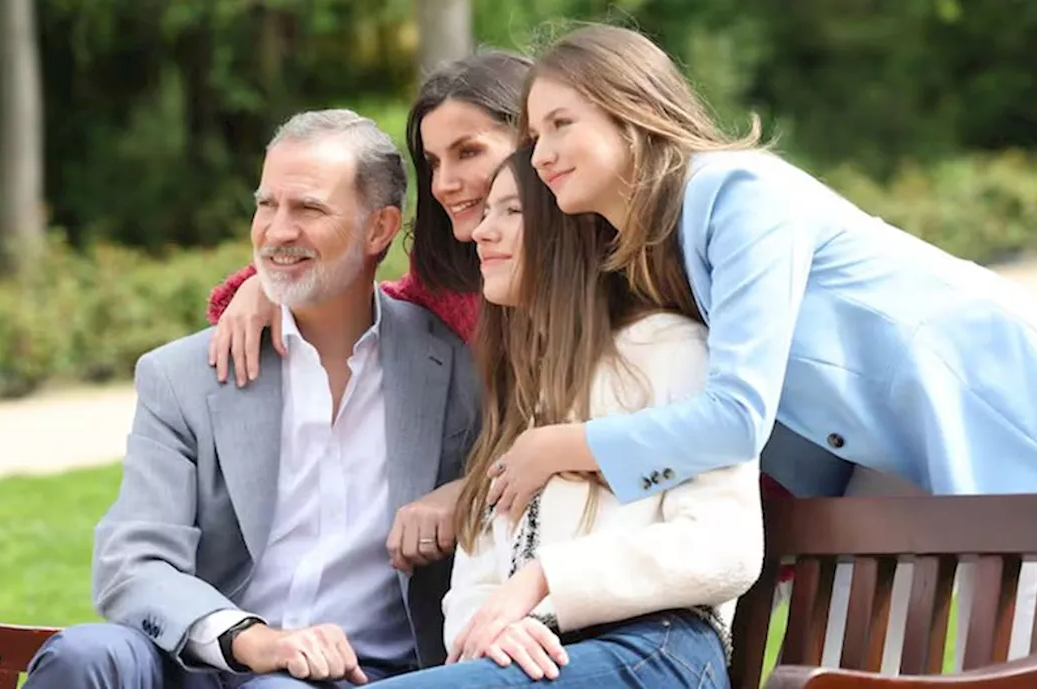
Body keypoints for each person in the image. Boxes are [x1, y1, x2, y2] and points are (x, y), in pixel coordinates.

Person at [486, 23, 1037, 668]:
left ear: (632, 109)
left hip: (1009, 410)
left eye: (561, 123)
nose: (541, 154)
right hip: (888, 456)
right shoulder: (658, 248)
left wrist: (563, 445)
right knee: (845, 667)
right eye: (535, 136)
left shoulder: (732, 193)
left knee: (1009, 665)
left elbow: (737, 416)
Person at [201, 49, 796, 579]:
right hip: (533, 566)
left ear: (536, 145)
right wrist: (266, 285)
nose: (447, 183)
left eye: (469, 152)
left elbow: (684, 420)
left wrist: (468, 492)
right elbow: (357, 306)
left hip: (665, 536)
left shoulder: (629, 269)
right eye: (433, 162)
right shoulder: (462, 285)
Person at [22, 109, 480, 689]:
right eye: (267, 205)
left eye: (308, 209)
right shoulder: (182, 376)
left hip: (353, 673)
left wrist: (463, 494)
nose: (276, 231)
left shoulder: (455, 367)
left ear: (380, 229)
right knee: (84, 656)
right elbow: (132, 563)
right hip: (200, 653)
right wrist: (249, 639)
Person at [368, 147, 760, 688]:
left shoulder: (669, 349)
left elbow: (726, 548)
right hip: (534, 658)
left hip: (654, 648)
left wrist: (546, 581)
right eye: (486, 213)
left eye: (510, 211)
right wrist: (491, 628)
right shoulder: (521, 391)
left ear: (567, 229)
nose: (483, 231)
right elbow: (475, 581)